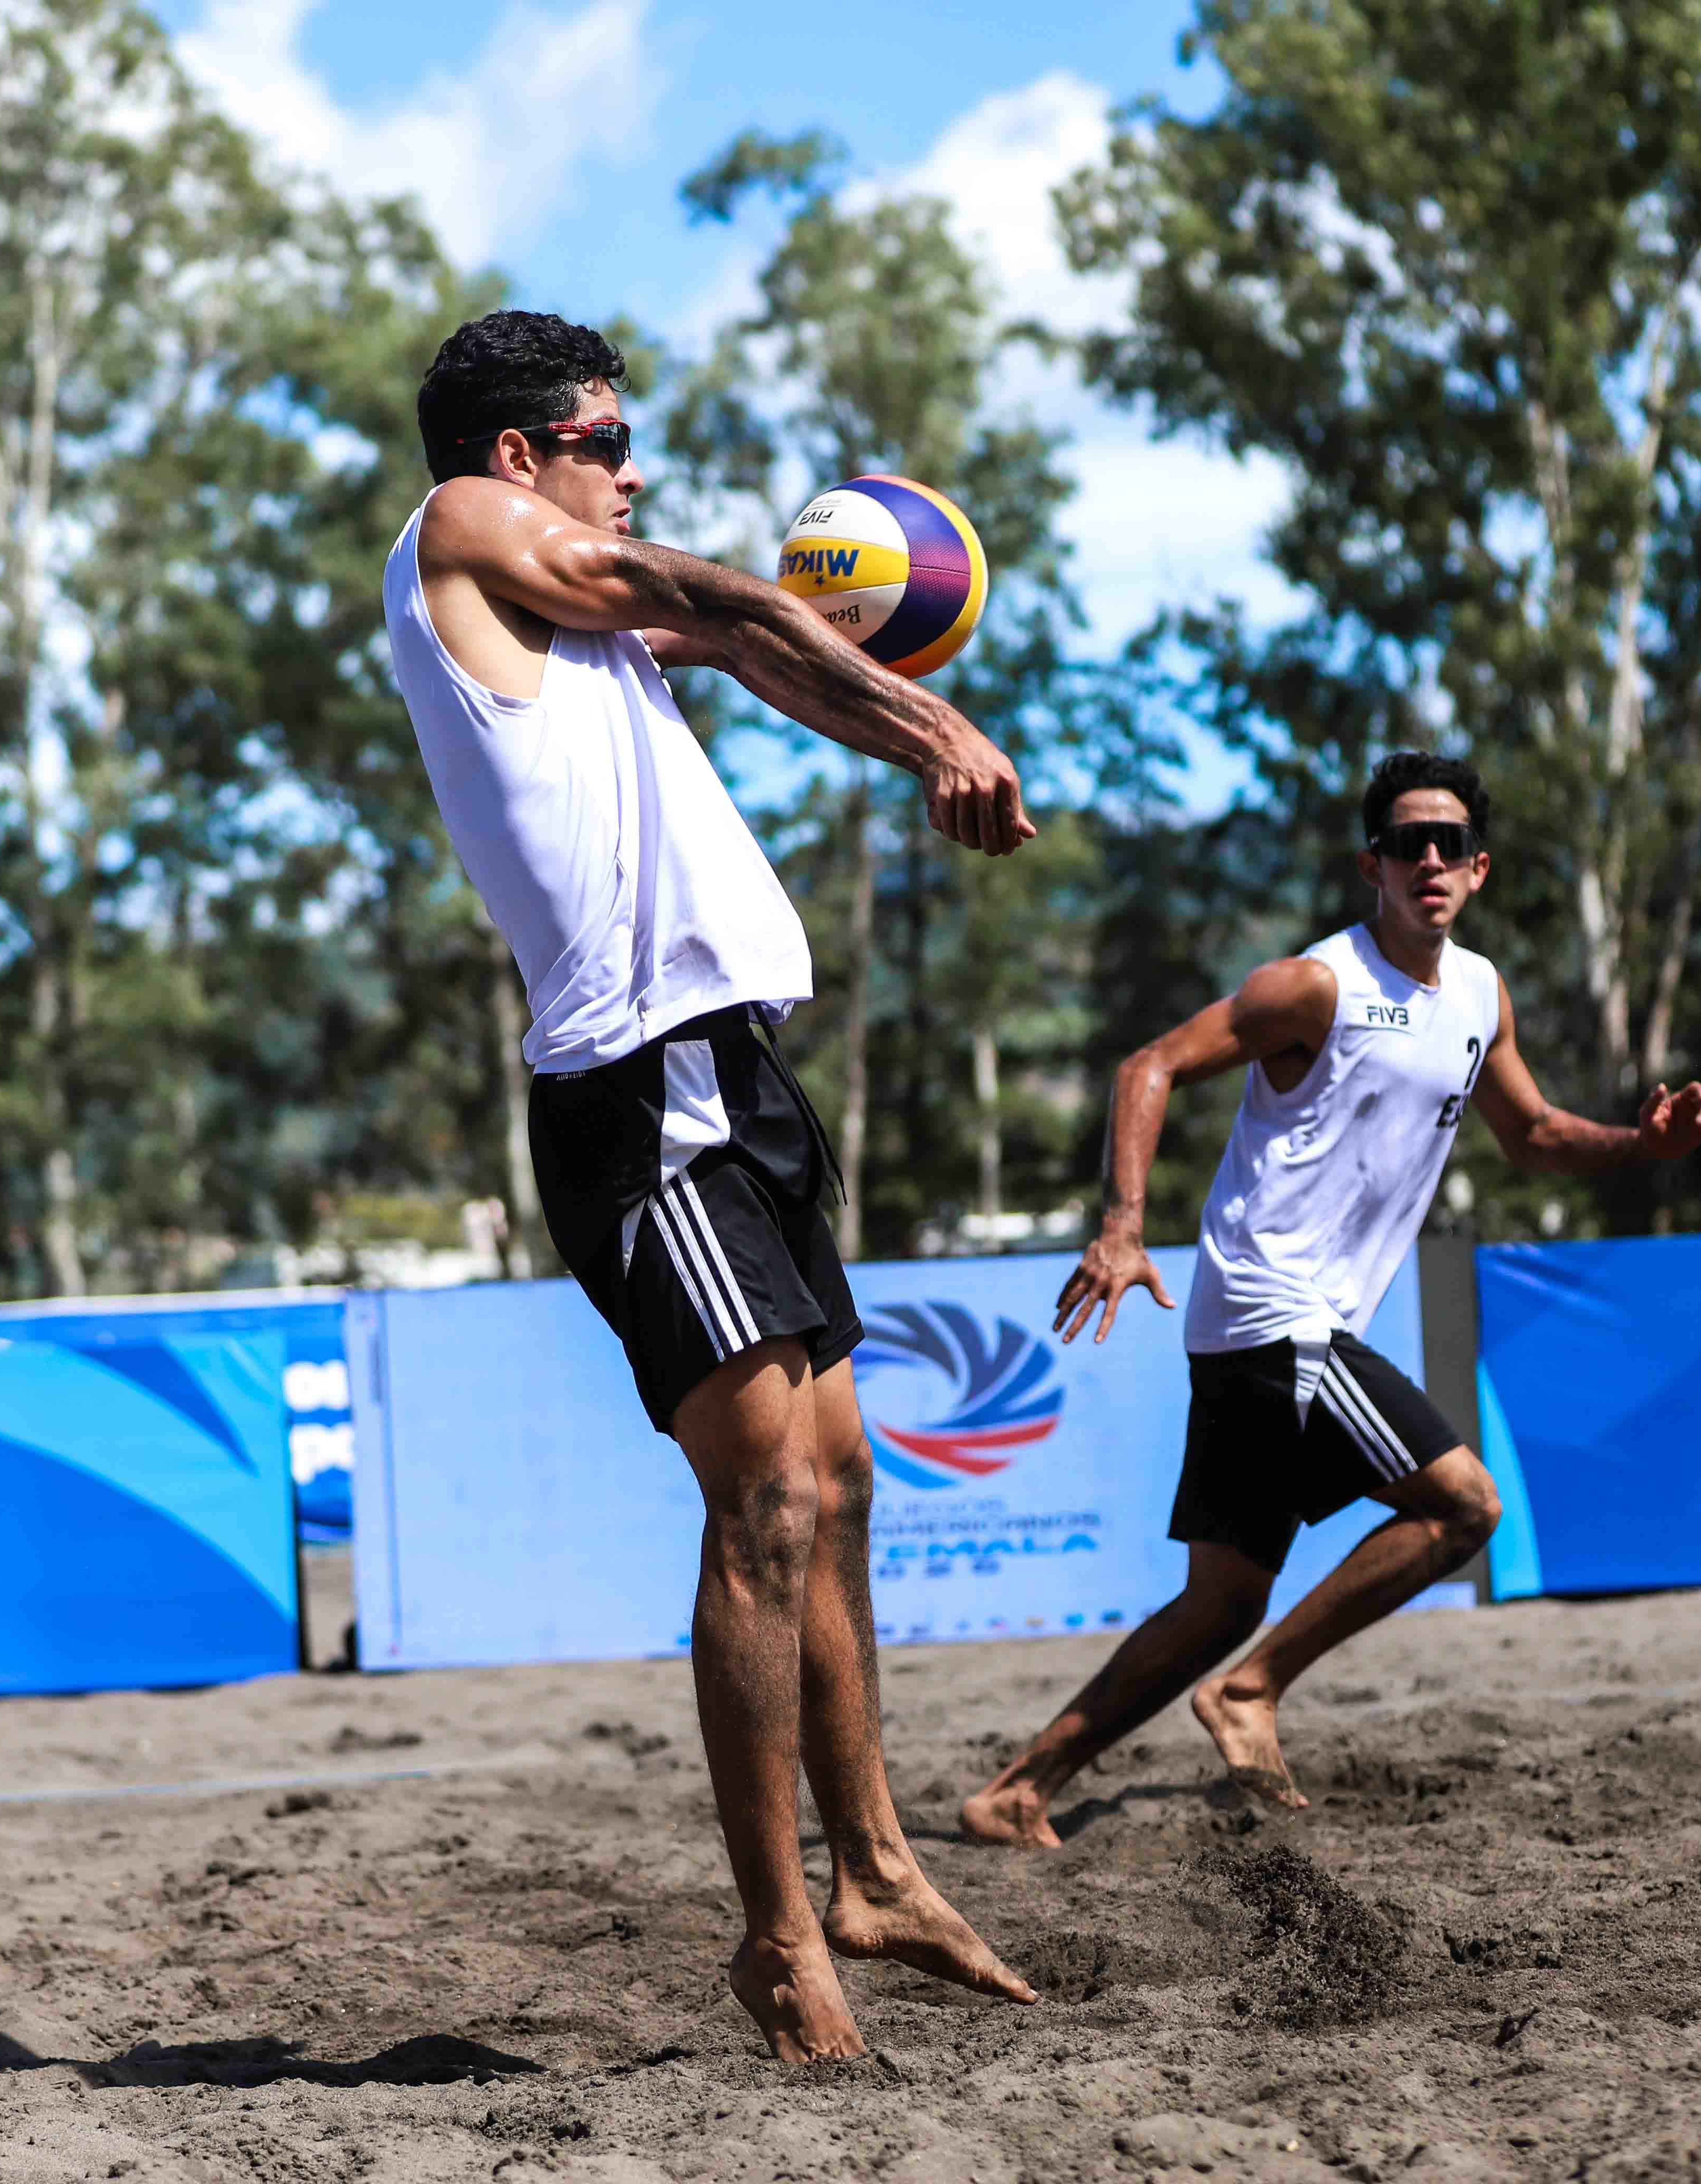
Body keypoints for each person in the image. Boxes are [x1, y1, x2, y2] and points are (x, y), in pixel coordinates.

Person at [384, 311, 1038, 2059]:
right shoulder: (464, 529)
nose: (632, 465)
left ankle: (876, 1875)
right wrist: (936, 724)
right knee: (764, 1510)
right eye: (605, 438)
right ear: (516, 455)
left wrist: (906, 723)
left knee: (839, 1481)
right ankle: (777, 1939)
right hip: (640, 1090)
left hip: (737, 1078)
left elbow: (758, 645)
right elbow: (735, 603)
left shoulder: (573, 604)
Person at [960, 752, 1701, 1849]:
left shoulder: (1480, 993)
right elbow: (1148, 1066)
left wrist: (1641, 1144)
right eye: (1409, 843)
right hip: (1274, 1309)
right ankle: (1250, 1691)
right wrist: (1122, 1227)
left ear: (1479, 868)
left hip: (1273, 1329)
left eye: (1451, 844)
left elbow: (1535, 1135)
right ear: (1373, 865)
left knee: (1222, 1603)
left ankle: (1018, 1790)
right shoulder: (1317, 987)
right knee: (1465, 1506)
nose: (1430, 860)